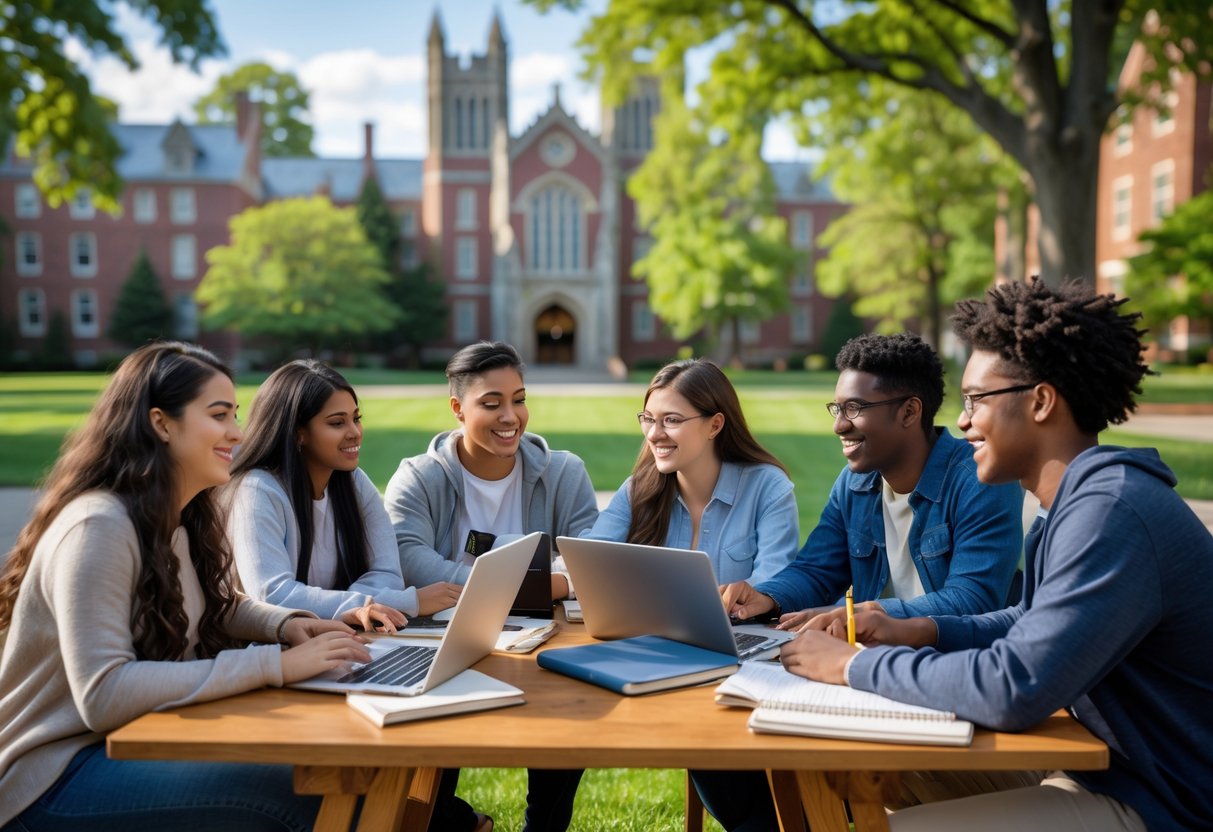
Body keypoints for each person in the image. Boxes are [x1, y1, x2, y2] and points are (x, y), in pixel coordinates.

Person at [784, 279, 1213, 831]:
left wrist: (853, 666)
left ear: (1040, 401)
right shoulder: (1077, 502)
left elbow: (1014, 686)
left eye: (975, 400)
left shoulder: (1111, 512)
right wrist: (918, 630)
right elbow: (1028, 621)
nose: (962, 421)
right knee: (860, 774)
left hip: (1162, 803)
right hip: (1107, 774)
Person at [0, 342, 371, 832]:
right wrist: (274, 665)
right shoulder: (98, 526)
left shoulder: (182, 513)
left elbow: (213, 605)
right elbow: (104, 692)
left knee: (344, 775)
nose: (238, 433)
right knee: (298, 796)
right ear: (161, 423)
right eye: (219, 415)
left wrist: (288, 626)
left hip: (137, 737)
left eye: (235, 414)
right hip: (52, 775)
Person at [702, 333, 1025, 831]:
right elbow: (816, 569)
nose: (838, 425)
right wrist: (765, 594)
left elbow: (974, 599)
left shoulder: (978, 478)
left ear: (909, 411)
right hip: (867, 670)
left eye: (855, 408)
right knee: (719, 731)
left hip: (942, 678)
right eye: (837, 406)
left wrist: (868, 614)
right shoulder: (854, 482)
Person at [384, 341, 597, 832]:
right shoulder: (418, 477)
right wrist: (546, 584)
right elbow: (411, 560)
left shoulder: (564, 472)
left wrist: (519, 588)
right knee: (423, 775)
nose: (511, 417)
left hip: (545, 639)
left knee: (565, 719)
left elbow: (591, 555)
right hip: (444, 638)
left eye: (519, 399)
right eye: (492, 403)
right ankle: (461, 823)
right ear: (458, 408)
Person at [226, 359, 462, 627]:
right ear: (297, 433)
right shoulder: (258, 490)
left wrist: (359, 608)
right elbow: (272, 595)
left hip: (343, 636)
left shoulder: (354, 481)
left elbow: (387, 571)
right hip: (275, 650)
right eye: (337, 423)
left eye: (356, 419)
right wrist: (400, 602)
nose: (355, 433)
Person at [584, 358, 800, 586]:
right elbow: (588, 562)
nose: (654, 434)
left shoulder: (768, 488)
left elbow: (774, 582)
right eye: (648, 419)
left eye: (671, 420)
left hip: (739, 623)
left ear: (715, 425)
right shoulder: (637, 490)